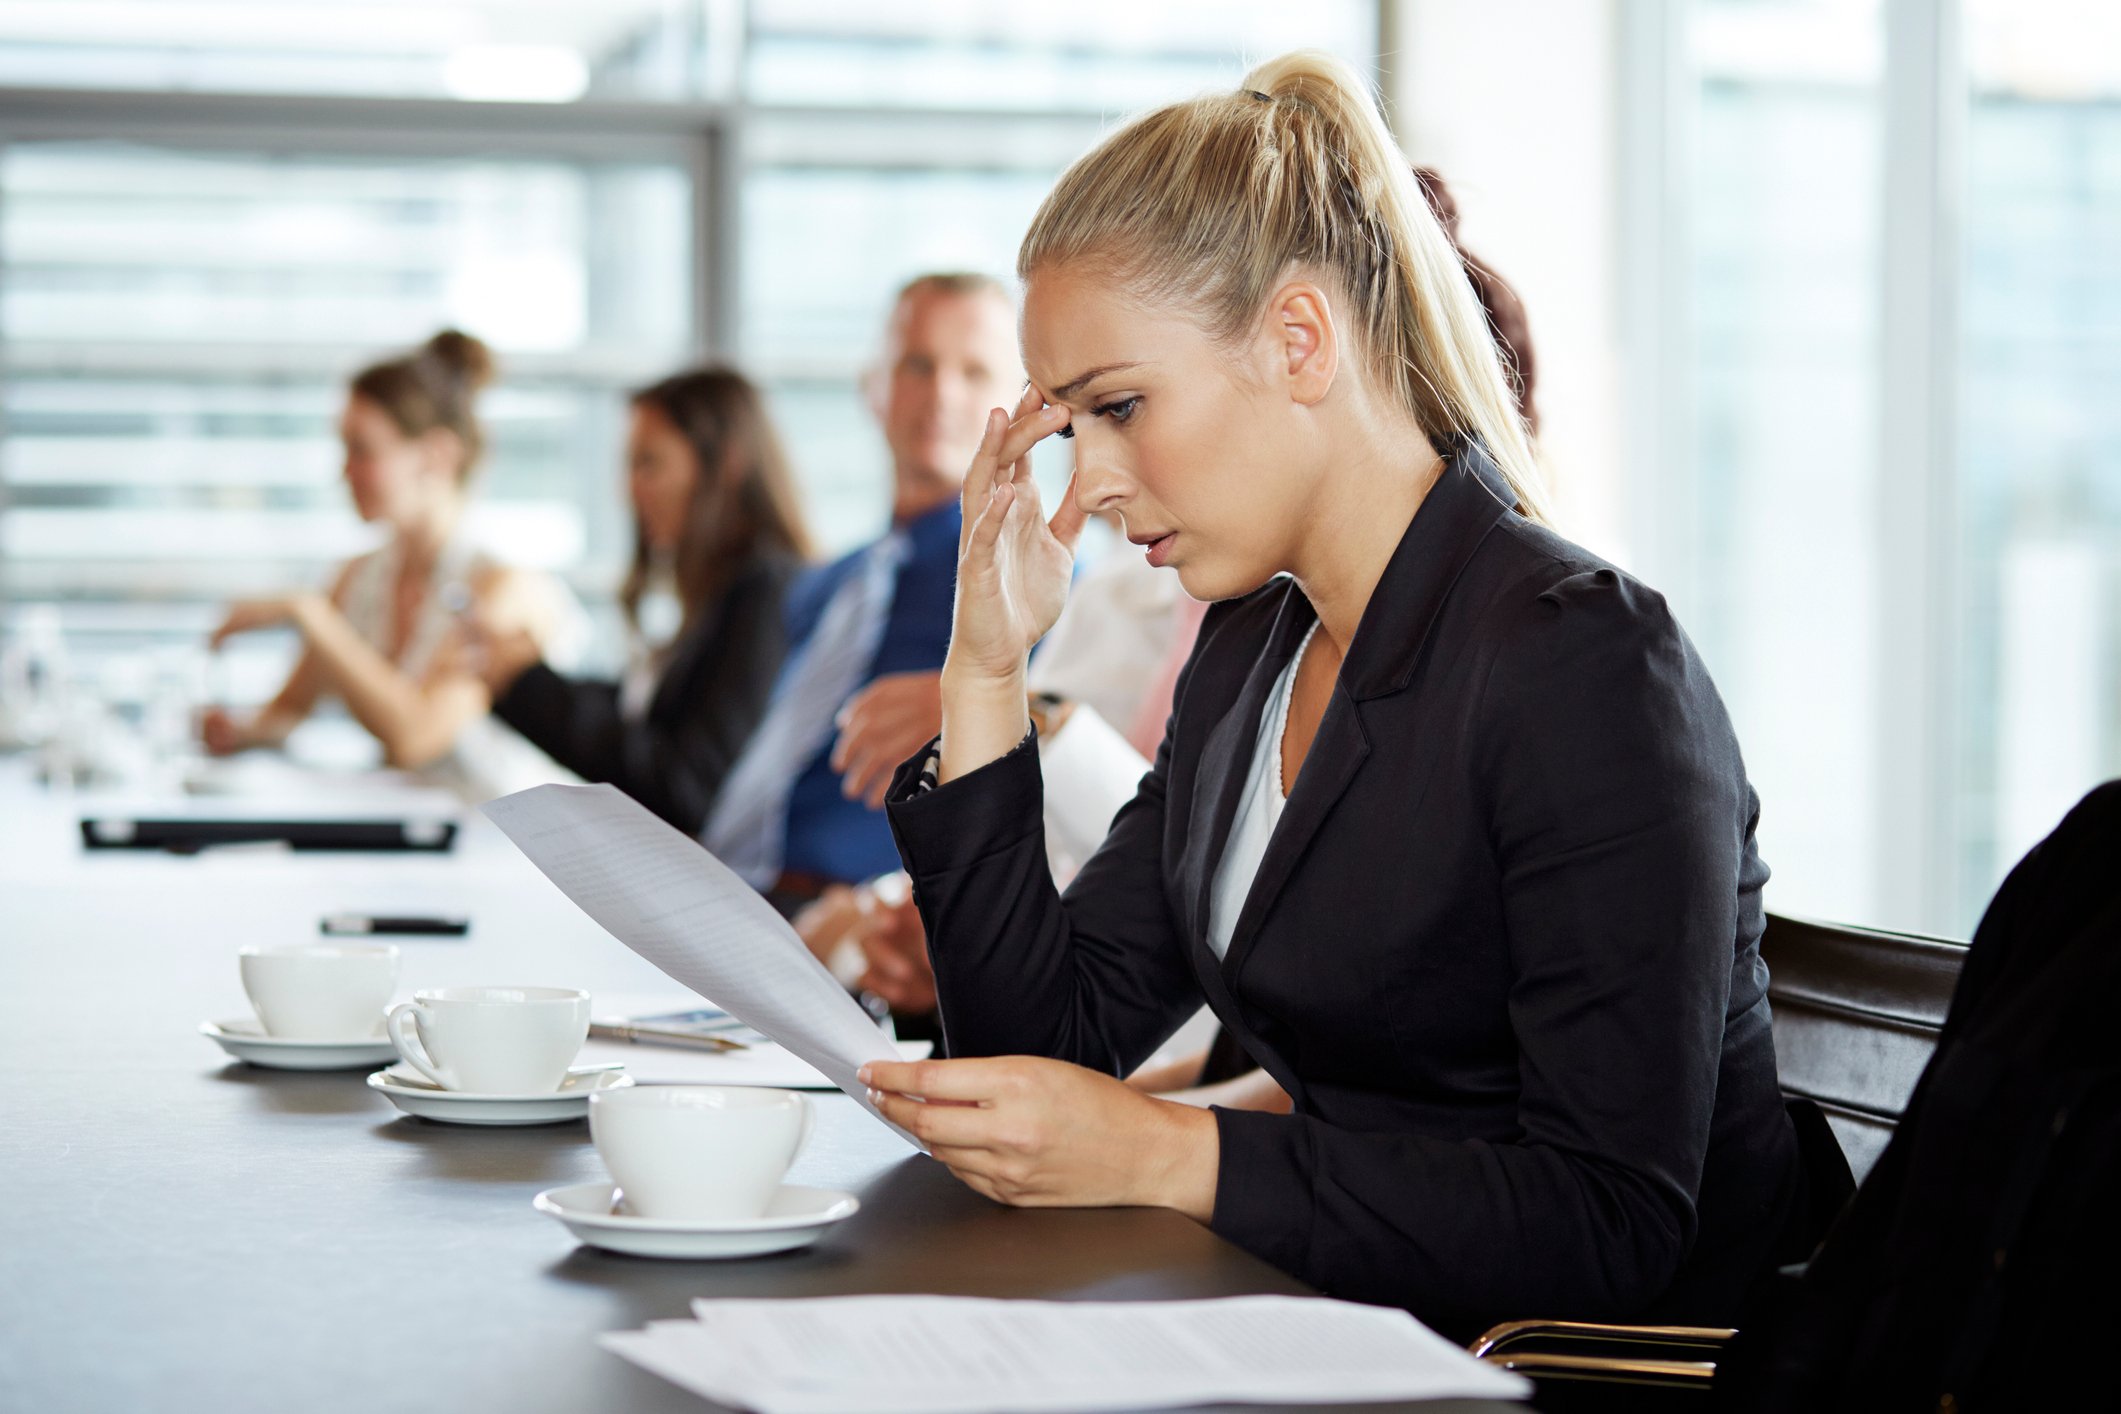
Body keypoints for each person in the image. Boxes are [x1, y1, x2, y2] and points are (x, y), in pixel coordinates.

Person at [861, 52, 1803, 1339]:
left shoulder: (1587, 663)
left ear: (1301, 339)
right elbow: (1044, 1055)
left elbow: (1611, 1223)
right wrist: (985, 669)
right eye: (1075, 425)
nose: (1091, 488)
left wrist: (1167, 1155)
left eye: (1122, 407)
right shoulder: (1255, 651)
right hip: (1343, 1325)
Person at [699, 273, 1020, 913]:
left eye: (974, 372)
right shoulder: (828, 585)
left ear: (1021, 406)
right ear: (872, 389)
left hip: (864, 924)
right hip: (726, 891)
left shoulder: (1026, 586)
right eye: (917, 365)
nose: (941, 394)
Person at [202, 330, 580, 799]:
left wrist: (308, 612)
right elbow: (287, 713)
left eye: (362, 450)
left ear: (436, 455)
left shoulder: (502, 589)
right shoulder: (358, 579)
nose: (345, 472)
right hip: (409, 831)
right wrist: (235, 732)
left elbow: (417, 738)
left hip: (504, 844)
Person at [467, 368, 812, 835]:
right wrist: (528, 676)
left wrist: (530, 687)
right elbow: (648, 719)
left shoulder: (765, 593)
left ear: (727, 464)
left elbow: (686, 787)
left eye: (650, 463)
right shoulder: (733, 591)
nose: (630, 489)